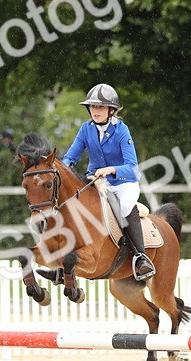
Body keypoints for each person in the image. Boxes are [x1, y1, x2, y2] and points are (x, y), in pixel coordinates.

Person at [61, 83, 155, 281]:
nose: (95, 111)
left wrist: (110, 170)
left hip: (123, 182)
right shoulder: (86, 129)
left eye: (100, 107)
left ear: (111, 110)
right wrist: (61, 170)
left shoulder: (121, 131)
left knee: (125, 206)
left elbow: (132, 166)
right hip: (96, 181)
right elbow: (71, 157)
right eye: (93, 107)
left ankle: (140, 257)